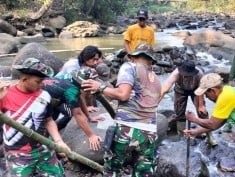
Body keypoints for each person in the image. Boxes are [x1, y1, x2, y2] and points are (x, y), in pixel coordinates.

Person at [82, 44, 161, 177]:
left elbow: (123, 94)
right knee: (144, 172)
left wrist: (99, 87)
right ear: (151, 61)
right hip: (150, 133)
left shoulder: (130, 66)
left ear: (132, 57)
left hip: (127, 130)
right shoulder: (157, 80)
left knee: (113, 169)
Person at [0, 58, 70, 177]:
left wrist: (59, 141)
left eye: (43, 81)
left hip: (44, 149)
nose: (42, 84)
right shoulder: (5, 95)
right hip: (17, 153)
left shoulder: (44, 95)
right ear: (24, 79)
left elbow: (49, 120)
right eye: (38, 81)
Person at [43, 67, 104, 151]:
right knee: (45, 124)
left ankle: (52, 139)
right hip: (40, 99)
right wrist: (91, 135)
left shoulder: (69, 78)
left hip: (51, 98)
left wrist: (89, 117)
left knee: (51, 120)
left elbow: (78, 98)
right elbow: (77, 114)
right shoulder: (71, 90)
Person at [160, 60, 216, 145]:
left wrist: (201, 105)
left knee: (202, 111)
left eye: (188, 75)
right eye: (185, 74)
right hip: (180, 90)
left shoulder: (199, 74)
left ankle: (209, 135)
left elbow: (202, 90)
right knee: (179, 112)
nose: (186, 76)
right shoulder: (176, 73)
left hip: (196, 91)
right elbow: (165, 88)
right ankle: (182, 135)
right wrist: (157, 101)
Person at [56, 45, 104, 113]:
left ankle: (90, 106)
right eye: (94, 59)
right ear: (86, 57)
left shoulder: (88, 66)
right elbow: (77, 87)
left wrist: (91, 105)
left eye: (97, 60)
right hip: (60, 87)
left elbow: (89, 85)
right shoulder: (72, 65)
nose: (95, 62)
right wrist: (86, 107)